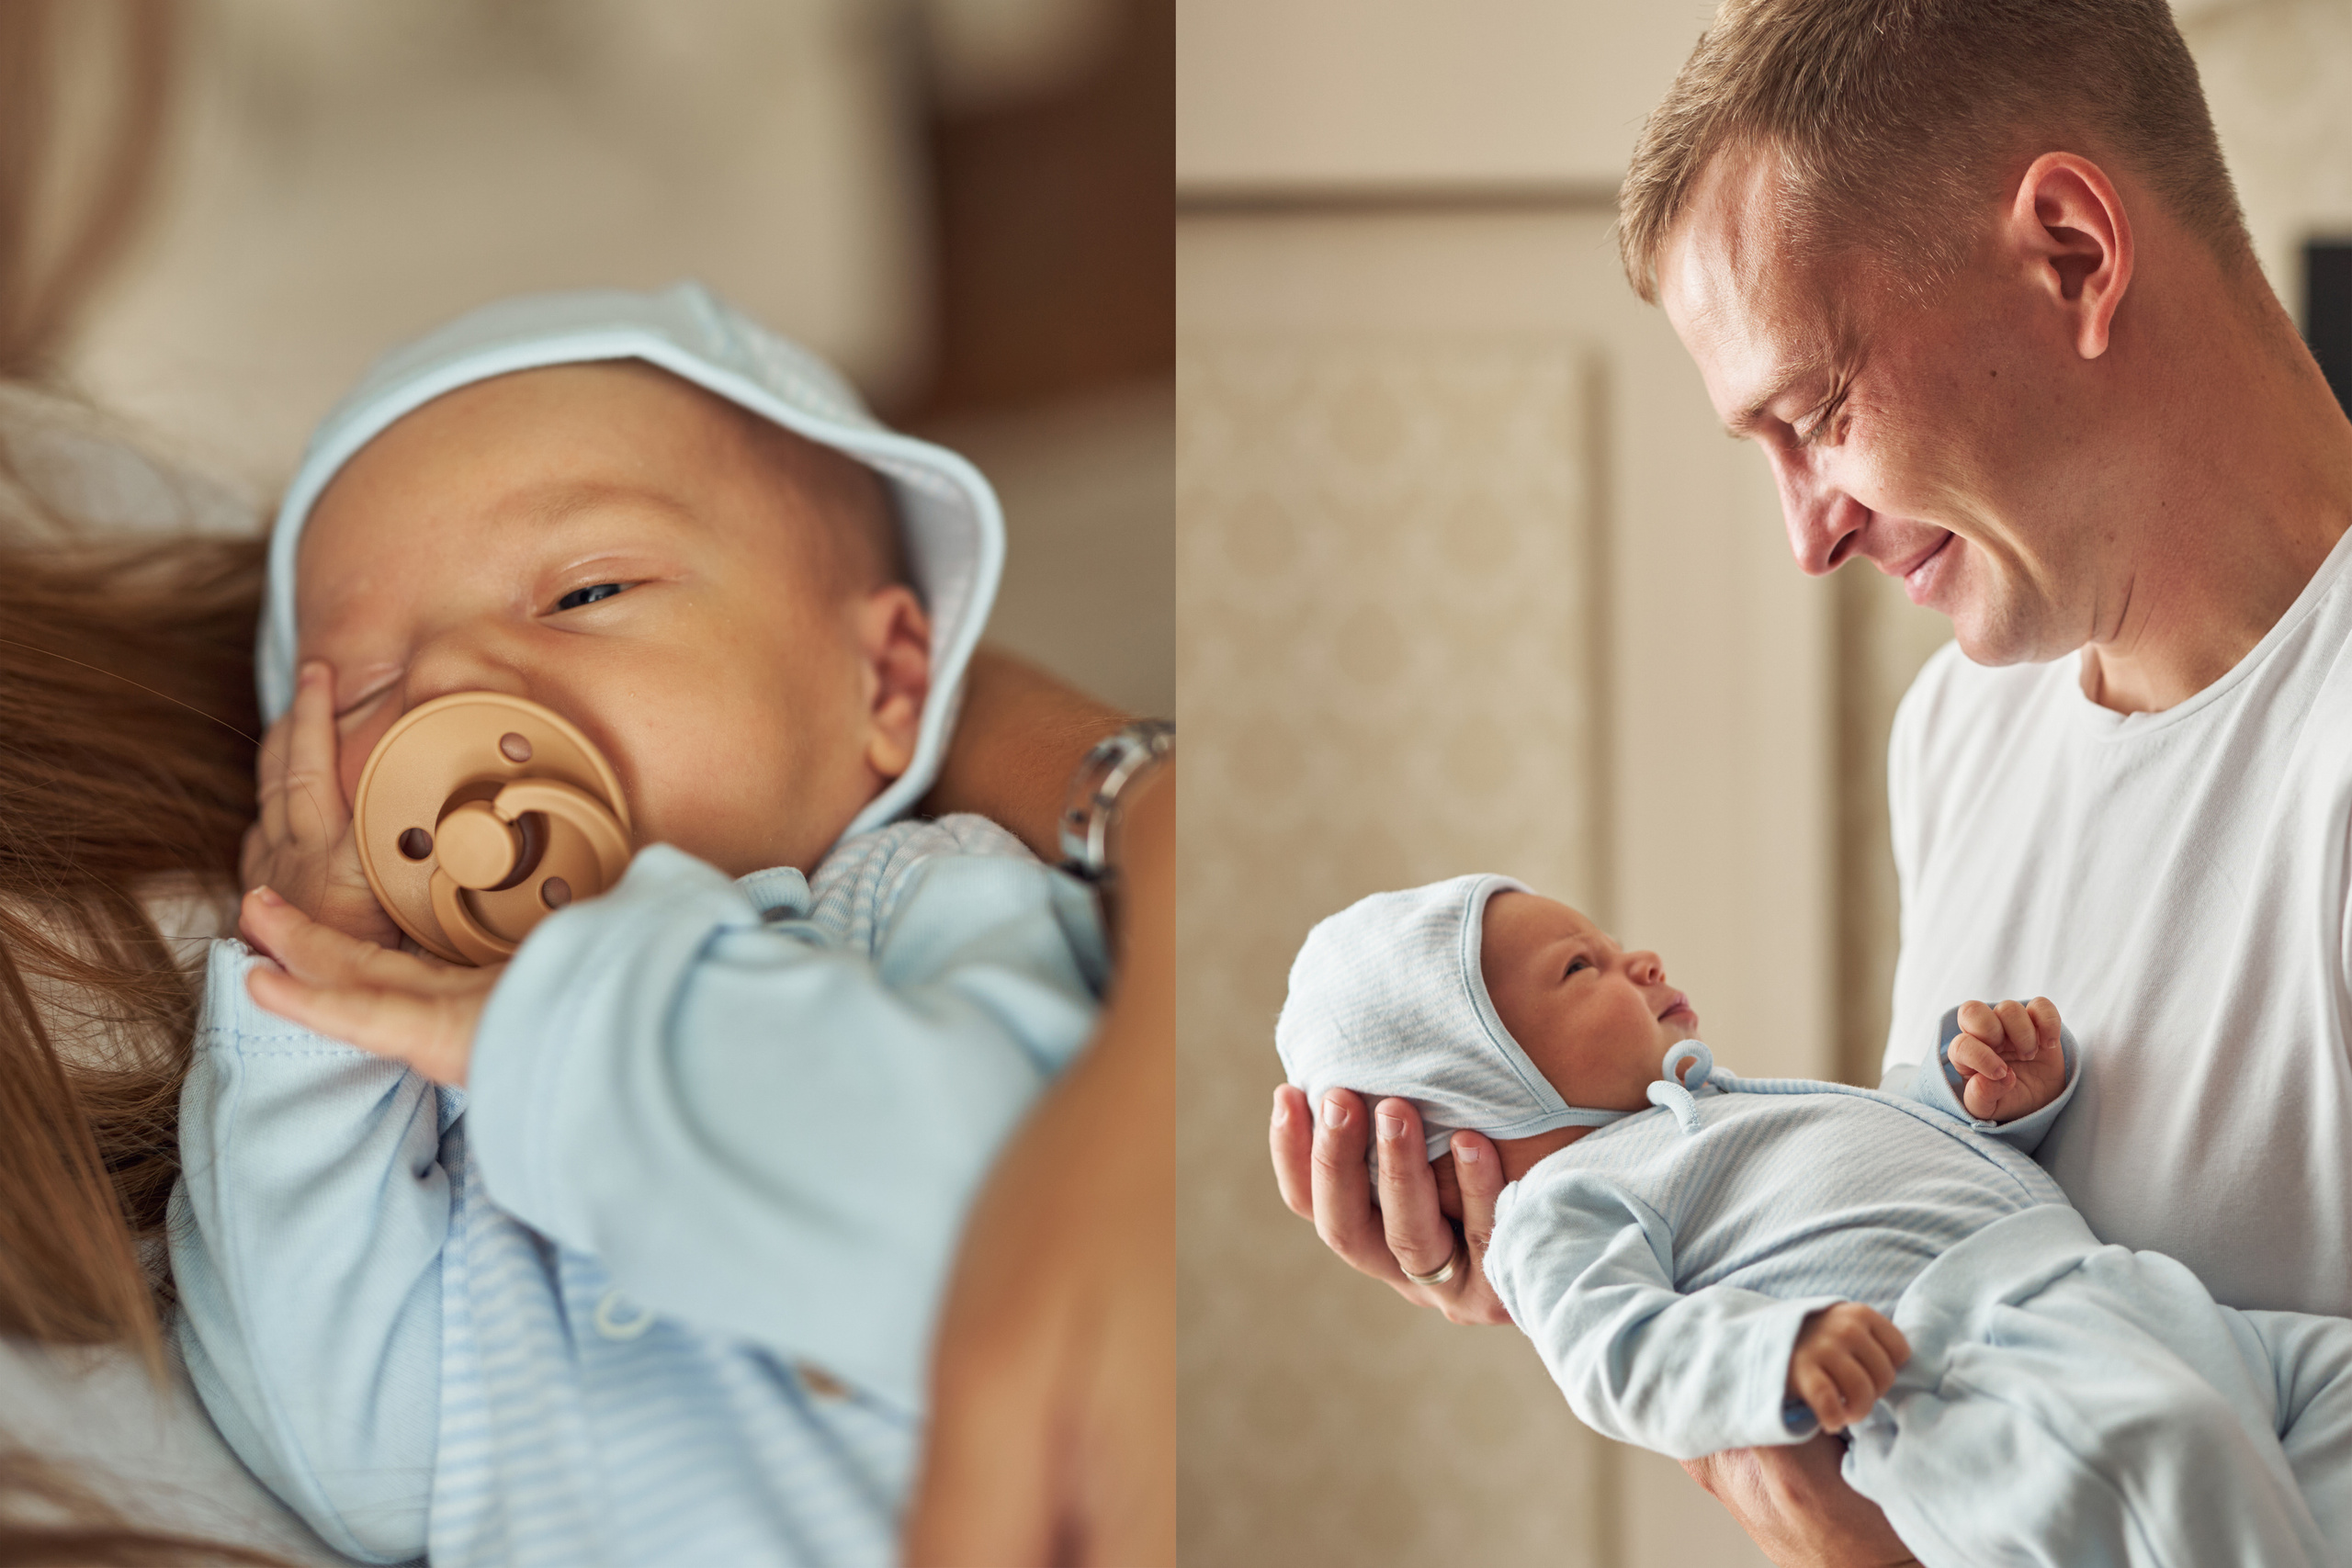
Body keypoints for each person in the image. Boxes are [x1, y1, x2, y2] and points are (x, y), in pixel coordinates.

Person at [1269, 0, 2352, 1560]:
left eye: (1821, 413)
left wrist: (1829, 1529)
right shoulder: (1960, 736)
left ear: (2071, 254)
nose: (1808, 533)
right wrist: (1595, 1219)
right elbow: (1926, 1287)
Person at [168, 283, 1129, 1568]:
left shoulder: (929, 905)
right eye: (371, 687)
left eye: (585, 590)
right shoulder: (429, 1123)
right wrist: (307, 1026)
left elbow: (1003, 1240)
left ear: (885, 683)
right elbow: (360, 1460)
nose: (444, 686)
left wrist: (579, 1025)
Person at [1279, 874, 2352, 1566]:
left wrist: (1981, 1092)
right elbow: (1612, 1354)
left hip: (2128, 1299)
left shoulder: (1717, 1109)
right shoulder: (1562, 1208)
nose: (1638, 959)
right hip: (1974, 1380)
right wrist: (1770, 1359)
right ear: (1484, 1092)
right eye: (1581, 968)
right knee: (2168, 1455)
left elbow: (1893, 1157)